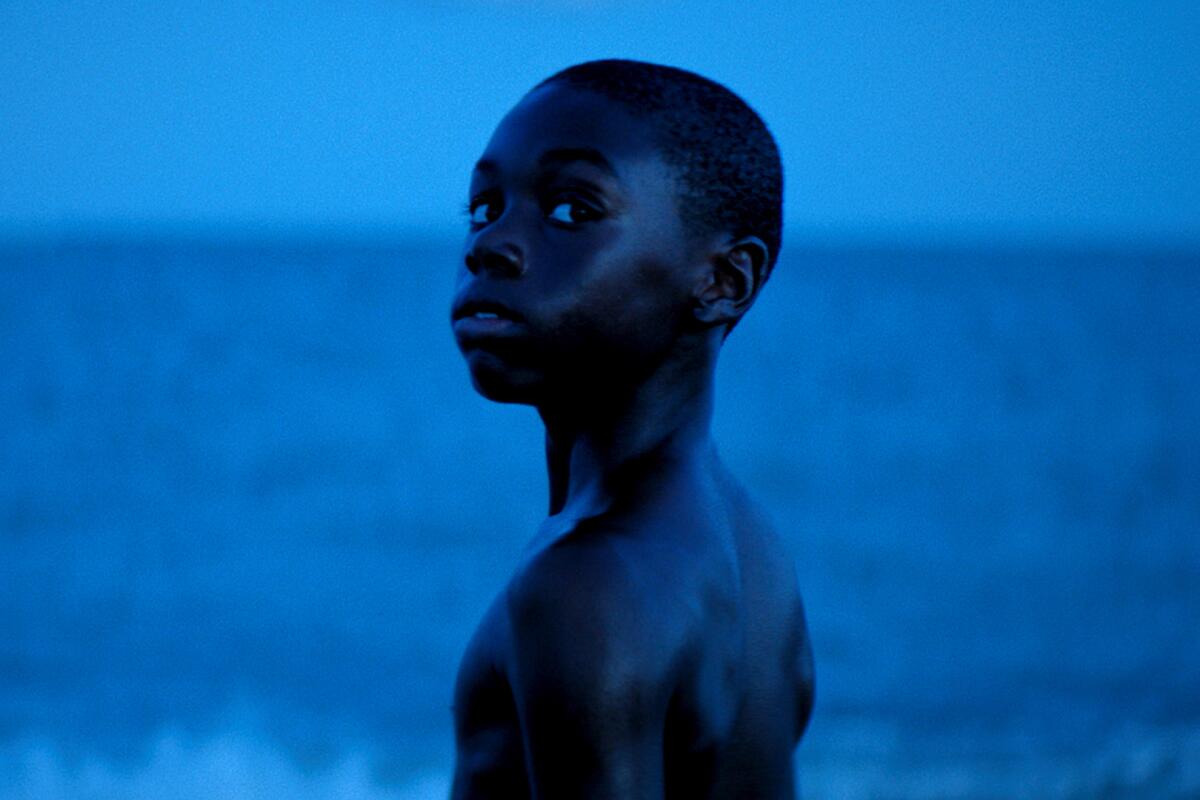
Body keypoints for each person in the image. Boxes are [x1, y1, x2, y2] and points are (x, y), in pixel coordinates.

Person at [448, 59, 814, 799]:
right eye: (485, 206)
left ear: (722, 281)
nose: (490, 245)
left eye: (570, 211)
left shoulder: (586, 586)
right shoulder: (748, 545)